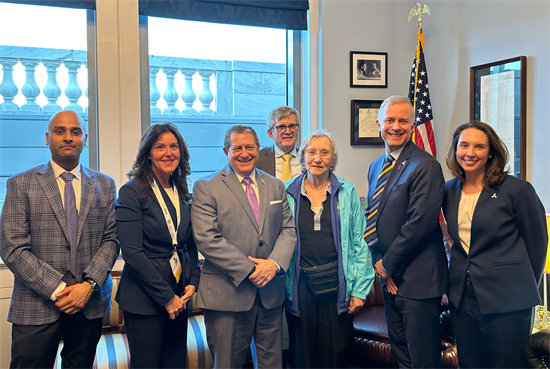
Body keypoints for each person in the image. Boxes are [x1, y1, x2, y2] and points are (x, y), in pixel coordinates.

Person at [0, 111, 119, 369]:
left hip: (89, 303)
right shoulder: (20, 184)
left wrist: (87, 286)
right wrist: (59, 290)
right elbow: (13, 247)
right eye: (60, 131)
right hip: (36, 304)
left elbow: (111, 240)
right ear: (47, 138)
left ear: (85, 138)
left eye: (75, 132)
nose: (68, 137)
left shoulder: (105, 185)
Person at [443, 121, 548, 369]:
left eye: (479, 147)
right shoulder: (449, 190)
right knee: (470, 364)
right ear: (455, 150)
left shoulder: (517, 190)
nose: (470, 153)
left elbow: (537, 242)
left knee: (506, 364)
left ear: (491, 152)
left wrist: (521, 285)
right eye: (464, 145)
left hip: (507, 298)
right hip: (462, 296)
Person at [191, 125, 296, 369]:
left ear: (259, 149)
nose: (244, 153)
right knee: (227, 364)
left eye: (250, 147)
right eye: (237, 148)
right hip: (227, 295)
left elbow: (288, 230)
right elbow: (208, 238)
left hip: (270, 294)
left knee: (272, 364)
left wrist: (273, 264)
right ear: (226, 151)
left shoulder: (275, 185)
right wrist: (251, 270)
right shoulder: (206, 187)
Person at [364, 95, 448, 369]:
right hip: (391, 279)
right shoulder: (377, 166)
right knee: (401, 355)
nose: (396, 126)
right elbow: (373, 220)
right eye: (390, 120)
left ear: (413, 126)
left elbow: (419, 224)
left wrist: (387, 267)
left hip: (419, 281)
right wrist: (383, 267)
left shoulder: (425, 165)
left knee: (422, 359)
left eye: (403, 121)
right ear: (379, 124)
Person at [284, 130, 374, 369]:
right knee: (302, 354)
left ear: (332, 160)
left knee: (336, 352)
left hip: (338, 284)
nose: (317, 158)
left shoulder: (347, 192)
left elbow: (360, 243)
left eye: (324, 153)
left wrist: (359, 290)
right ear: (302, 158)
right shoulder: (285, 193)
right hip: (299, 283)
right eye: (311, 152)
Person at [115, 122, 200, 369]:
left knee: (175, 364)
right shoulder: (132, 192)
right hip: (145, 299)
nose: (168, 152)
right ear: (148, 153)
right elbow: (131, 252)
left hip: (179, 294)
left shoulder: (183, 192)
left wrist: (193, 280)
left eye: (174, 146)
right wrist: (166, 298)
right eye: (160, 146)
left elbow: (189, 244)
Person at [256, 106, 302, 181]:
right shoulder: (258, 159)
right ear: (270, 133)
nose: (288, 131)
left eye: (292, 126)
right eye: (281, 127)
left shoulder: (308, 158)